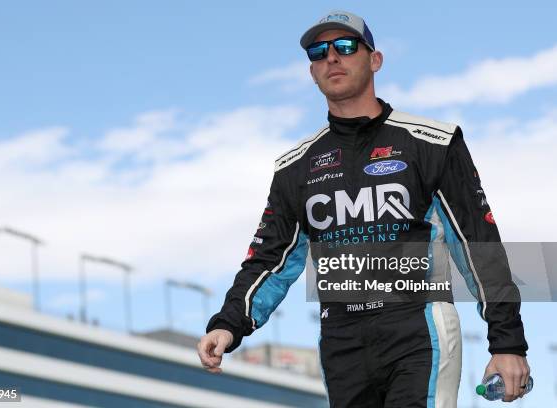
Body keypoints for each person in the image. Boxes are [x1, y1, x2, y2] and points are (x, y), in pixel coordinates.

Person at [197, 10, 530, 407]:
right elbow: (270, 259)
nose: (331, 58)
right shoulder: (295, 167)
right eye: (318, 52)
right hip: (341, 342)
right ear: (311, 72)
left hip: (418, 331)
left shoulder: (434, 143)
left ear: (375, 60)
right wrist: (229, 323)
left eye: (345, 46)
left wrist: (507, 343)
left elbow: (479, 247)